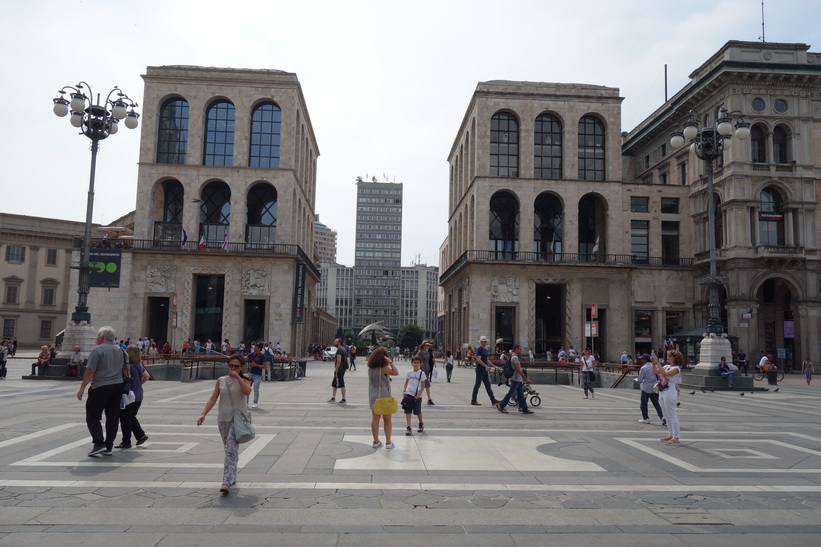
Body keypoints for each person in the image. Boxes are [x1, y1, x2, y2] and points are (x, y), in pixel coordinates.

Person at [196, 353, 252, 494]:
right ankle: (232, 475)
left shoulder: (245, 380)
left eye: (236, 366)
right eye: (231, 365)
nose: (233, 368)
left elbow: (247, 392)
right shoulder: (221, 380)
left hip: (237, 421)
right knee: (230, 450)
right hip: (222, 419)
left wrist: (238, 377)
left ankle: (226, 481)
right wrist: (203, 413)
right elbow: (212, 399)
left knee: (230, 450)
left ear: (242, 367)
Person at [77, 326, 130, 457]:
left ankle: (99, 443)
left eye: (97, 336)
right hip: (117, 386)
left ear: (102, 337)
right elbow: (126, 371)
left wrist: (82, 388)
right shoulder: (122, 351)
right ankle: (109, 446)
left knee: (93, 415)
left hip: (100, 386)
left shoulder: (98, 350)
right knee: (113, 417)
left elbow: (90, 370)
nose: (96, 338)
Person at [117, 345, 150, 449]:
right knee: (131, 417)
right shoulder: (139, 365)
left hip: (129, 396)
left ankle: (126, 441)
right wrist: (139, 383)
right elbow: (147, 376)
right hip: (139, 395)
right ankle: (140, 435)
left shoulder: (128, 367)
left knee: (125, 419)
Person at [367, 346, 398, 448]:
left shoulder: (370, 368)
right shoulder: (384, 368)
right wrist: (391, 362)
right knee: (387, 420)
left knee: (375, 419)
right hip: (384, 396)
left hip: (373, 396)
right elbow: (396, 372)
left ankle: (376, 441)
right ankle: (388, 442)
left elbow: (377, 379)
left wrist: (387, 379)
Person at [654, 349, 683, 445]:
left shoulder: (676, 369)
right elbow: (655, 371)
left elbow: (665, 374)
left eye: (670, 356)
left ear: (675, 358)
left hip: (670, 392)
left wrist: (657, 362)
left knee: (672, 414)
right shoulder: (667, 366)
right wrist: (654, 363)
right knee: (666, 415)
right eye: (668, 355)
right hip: (662, 391)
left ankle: (676, 437)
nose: (668, 357)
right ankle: (670, 434)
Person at [497, 345, 534, 414]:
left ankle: (524, 409)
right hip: (515, 379)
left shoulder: (514, 357)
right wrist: (526, 378)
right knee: (510, 394)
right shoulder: (515, 358)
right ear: (516, 349)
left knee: (520, 395)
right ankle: (501, 405)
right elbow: (518, 369)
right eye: (520, 349)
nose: (521, 350)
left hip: (518, 380)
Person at [471, 336, 500, 407]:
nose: (484, 342)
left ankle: (493, 400)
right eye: (483, 341)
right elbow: (478, 359)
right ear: (480, 342)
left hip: (484, 370)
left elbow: (487, 360)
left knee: (488, 386)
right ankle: (473, 400)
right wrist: (486, 366)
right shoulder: (479, 350)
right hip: (480, 370)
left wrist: (494, 366)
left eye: (485, 341)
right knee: (477, 385)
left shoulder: (485, 350)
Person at [636, 353, 664, 424]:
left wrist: (638, 381)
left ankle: (646, 418)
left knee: (644, 404)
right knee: (656, 404)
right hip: (655, 387)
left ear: (644, 360)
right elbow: (660, 375)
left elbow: (640, 379)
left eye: (642, 359)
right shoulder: (655, 366)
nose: (641, 360)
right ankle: (662, 417)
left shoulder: (643, 368)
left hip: (646, 388)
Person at [403, 354, 427, 435]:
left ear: (420, 364)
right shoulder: (409, 372)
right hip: (409, 393)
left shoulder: (422, 373)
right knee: (408, 411)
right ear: (412, 363)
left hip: (417, 395)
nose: (416, 364)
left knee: (417, 412)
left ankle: (421, 423)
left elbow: (423, 385)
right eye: (414, 362)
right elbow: (406, 382)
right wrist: (404, 391)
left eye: (417, 362)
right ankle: (408, 427)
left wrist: (419, 394)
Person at [414, 340, 436, 405]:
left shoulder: (428, 353)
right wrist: (420, 363)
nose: (427, 347)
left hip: (427, 370)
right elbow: (415, 357)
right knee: (427, 385)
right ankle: (429, 399)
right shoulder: (420, 352)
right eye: (426, 345)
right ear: (423, 346)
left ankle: (416, 397)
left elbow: (429, 359)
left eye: (428, 345)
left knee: (422, 385)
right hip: (422, 370)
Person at [329, 338, 348, 404]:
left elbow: (339, 360)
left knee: (341, 383)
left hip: (340, 369)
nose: (334, 342)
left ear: (339, 343)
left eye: (335, 341)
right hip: (342, 368)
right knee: (334, 383)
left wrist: (336, 369)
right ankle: (333, 398)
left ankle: (343, 399)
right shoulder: (343, 349)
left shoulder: (339, 350)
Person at [247, 343, 265, 408]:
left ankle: (255, 402)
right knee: (247, 388)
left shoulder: (262, 356)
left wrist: (256, 365)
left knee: (256, 389)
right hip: (250, 373)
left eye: (256, 347)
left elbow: (264, 366)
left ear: (259, 348)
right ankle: (246, 402)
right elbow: (245, 358)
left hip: (258, 375)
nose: (254, 348)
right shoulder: (252, 354)